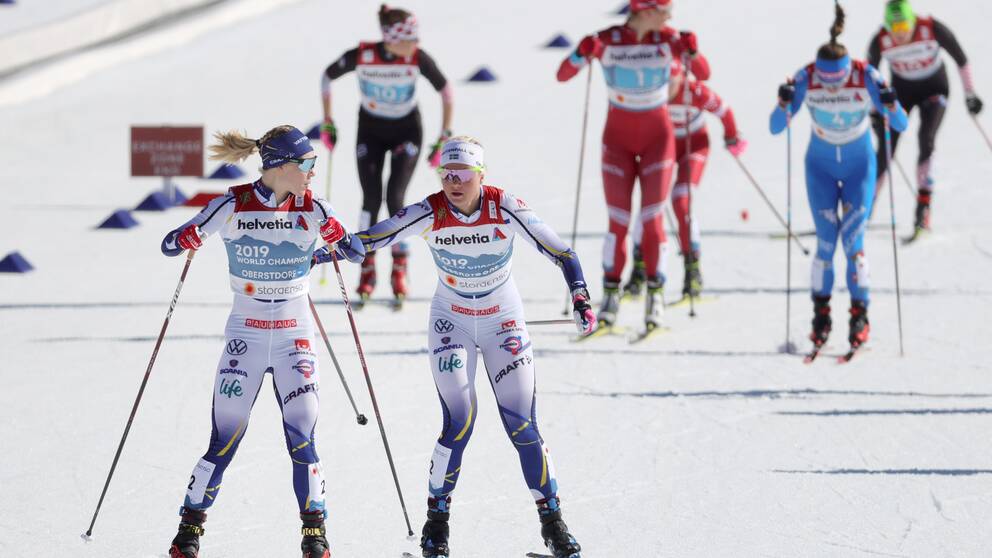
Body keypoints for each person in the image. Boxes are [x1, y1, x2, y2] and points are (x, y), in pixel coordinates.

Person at [315, 137, 595, 558]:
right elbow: (371, 239)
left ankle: (553, 524)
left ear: (481, 175)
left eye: (463, 174)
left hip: (503, 321)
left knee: (522, 424)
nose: (453, 183)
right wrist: (322, 253)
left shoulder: (505, 207)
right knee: (459, 422)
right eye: (446, 175)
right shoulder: (430, 211)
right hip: (452, 322)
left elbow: (562, 252)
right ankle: (436, 526)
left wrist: (580, 296)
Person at [160, 125, 365, 558]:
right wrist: (187, 238)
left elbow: (355, 252)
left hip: (295, 337)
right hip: (246, 337)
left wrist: (334, 239)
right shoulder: (231, 204)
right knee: (224, 438)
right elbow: (169, 244)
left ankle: (314, 534)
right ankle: (188, 530)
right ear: (280, 166)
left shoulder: (314, 206)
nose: (313, 171)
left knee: (303, 436)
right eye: (306, 163)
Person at [556, 0, 707, 333]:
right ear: (646, 10)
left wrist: (692, 51)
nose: (670, 16)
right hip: (617, 143)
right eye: (664, 10)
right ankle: (610, 298)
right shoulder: (607, 40)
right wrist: (581, 53)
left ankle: (655, 297)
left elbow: (704, 74)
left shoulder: (669, 39)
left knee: (652, 220)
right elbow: (563, 75)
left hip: (659, 141)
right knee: (619, 222)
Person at [770, 3, 908, 356]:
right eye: (826, 82)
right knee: (826, 245)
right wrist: (783, 103)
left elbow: (901, 124)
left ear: (848, 70)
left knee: (853, 245)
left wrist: (891, 103)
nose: (831, 88)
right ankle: (821, 315)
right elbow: (775, 127)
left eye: (838, 81)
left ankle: (860, 316)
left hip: (859, 165)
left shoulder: (865, 74)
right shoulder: (806, 76)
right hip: (820, 168)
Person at [321, 4, 453, 309]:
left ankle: (399, 265)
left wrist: (444, 135)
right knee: (370, 198)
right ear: (392, 39)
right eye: (410, 39)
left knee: (395, 196)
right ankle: (366, 265)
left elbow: (446, 92)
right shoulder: (364, 55)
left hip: (407, 131)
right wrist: (328, 120)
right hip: (370, 131)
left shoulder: (417, 57)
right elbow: (326, 77)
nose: (415, 44)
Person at [625, 58, 746, 301]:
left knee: (681, 201)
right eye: (663, 81)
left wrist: (732, 136)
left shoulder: (695, 91)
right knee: (650, 204)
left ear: (681, 77)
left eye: (672, 81)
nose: (667, 87)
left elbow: (724, 111)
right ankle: (639, 269)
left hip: (694, 146)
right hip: (664, 147)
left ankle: (693, 271)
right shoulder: (652, 92)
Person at [868, 0, 983, 237]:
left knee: (926, 139)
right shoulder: (880, 39)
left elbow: (960, 58)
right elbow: (871, 76)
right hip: (902, 92)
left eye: (904, 27)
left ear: (912, 21)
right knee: (886, 148)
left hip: (935, 89)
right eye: (894, 28)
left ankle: (923, 209)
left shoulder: (931, 28)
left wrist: (970, 93)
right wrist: (874, 109)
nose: (900, 34)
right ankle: (864, 210)